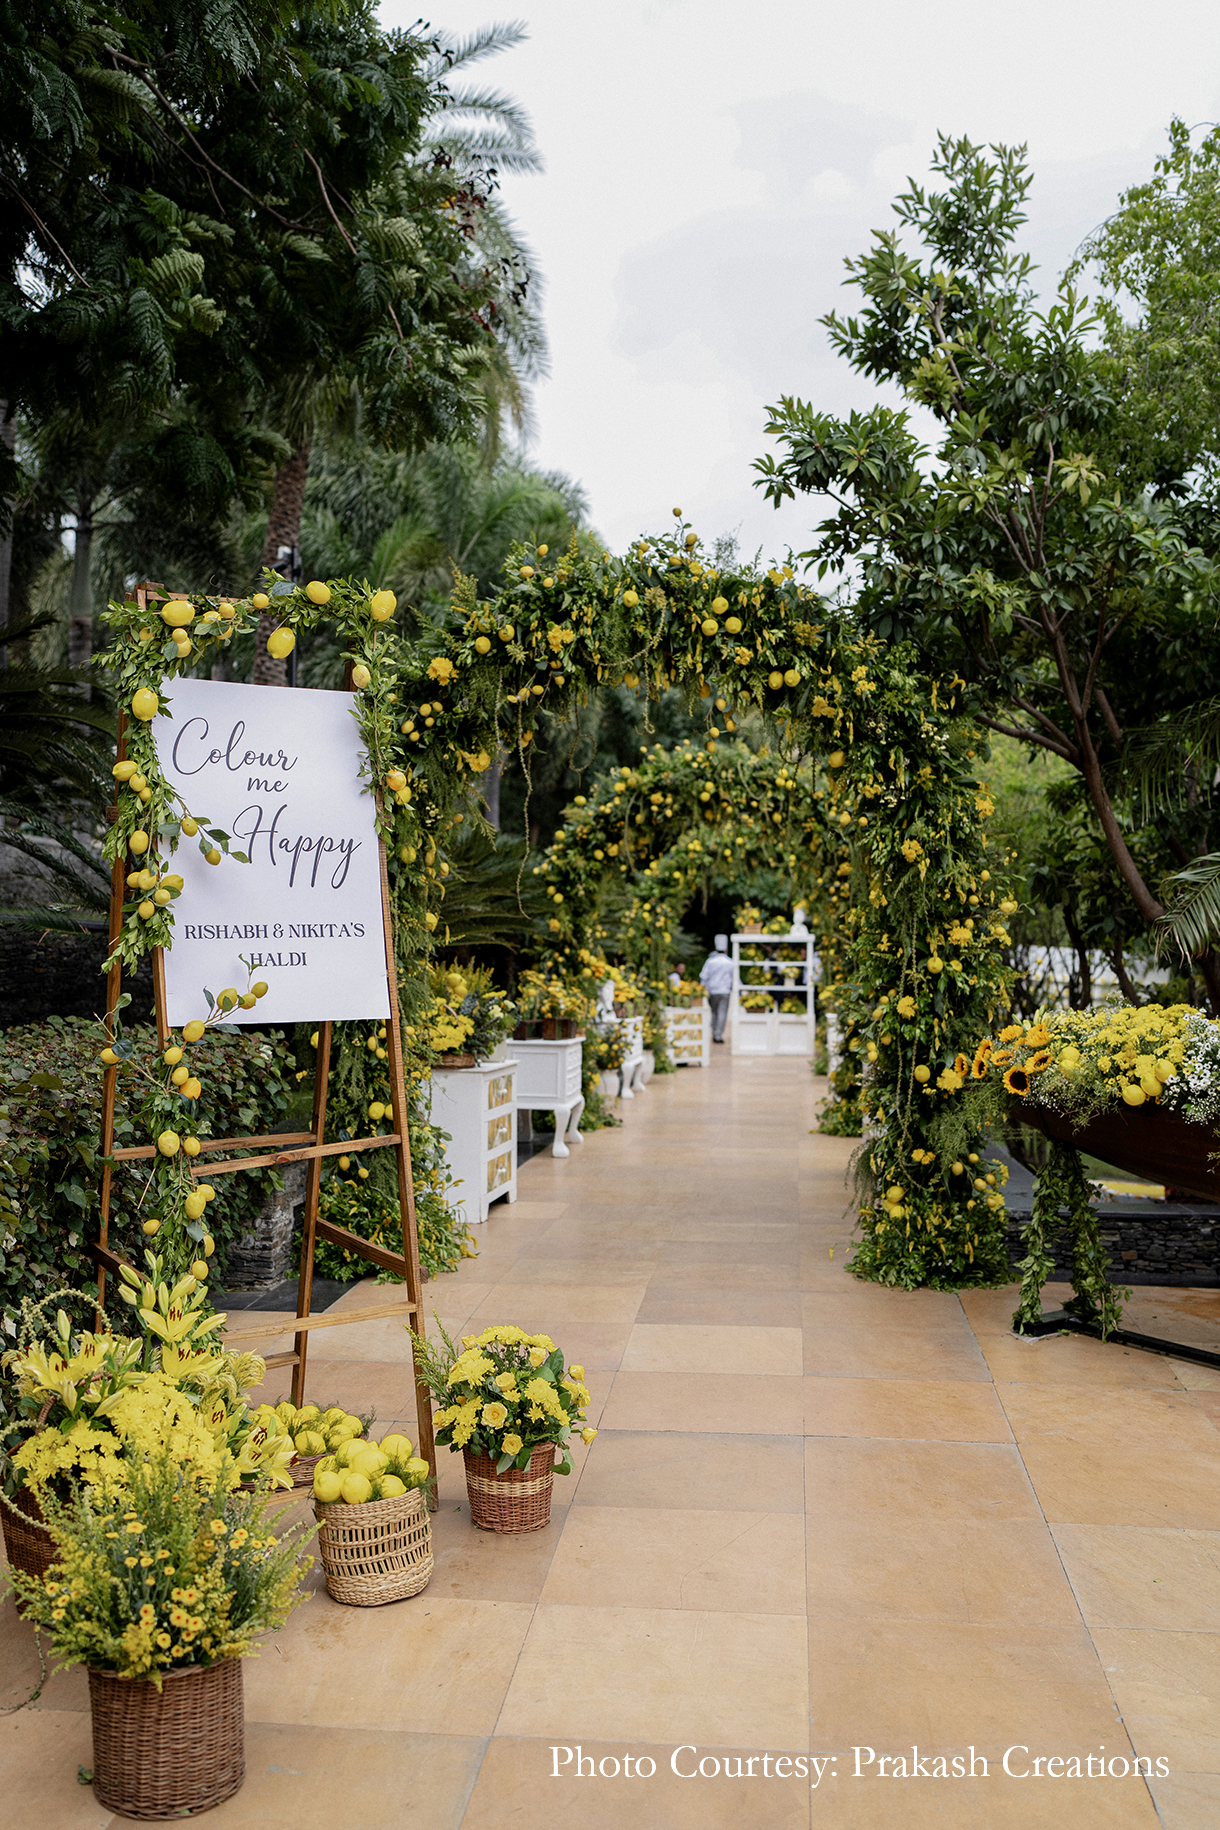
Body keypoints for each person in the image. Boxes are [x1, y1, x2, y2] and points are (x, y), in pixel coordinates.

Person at [699, 935, 734, 1044]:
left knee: (714, 1012)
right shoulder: (730, 962)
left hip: (712, 991)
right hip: (725, 991)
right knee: (722, 1012)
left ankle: (714, 1032)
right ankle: (718, 1034)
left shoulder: (710, 961)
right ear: (726, 950)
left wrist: (702, 988)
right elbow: (734, 977)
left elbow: (704, 976)